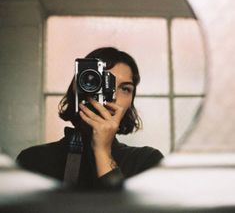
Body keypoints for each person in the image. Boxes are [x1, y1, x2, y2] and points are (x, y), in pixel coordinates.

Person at [16, 47, 163, 190]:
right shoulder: (33, 160)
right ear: (80, 87)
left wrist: (103, 152)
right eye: (102, 83)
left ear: (131, 100)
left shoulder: (147, 161)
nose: (112, 96)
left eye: (125, 89)